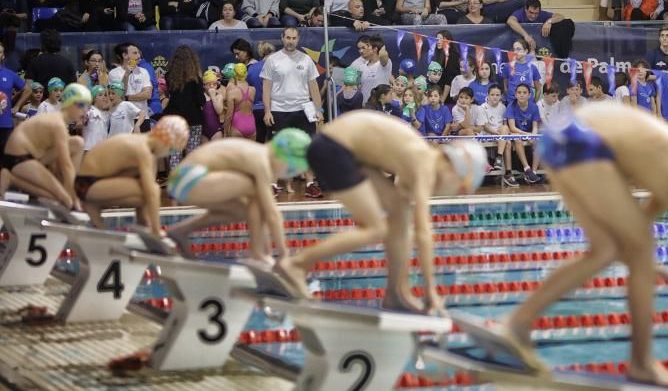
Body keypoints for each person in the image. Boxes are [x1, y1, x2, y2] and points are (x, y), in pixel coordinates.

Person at [494, 104, 668, 387]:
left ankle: (516, 324)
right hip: (583, 139)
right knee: (640, 246)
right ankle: (642, 364)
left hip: (559, 136)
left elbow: (628, 248)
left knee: (606, 249)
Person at [273, 110, 486, 305]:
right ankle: (296, 265)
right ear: (453, 170)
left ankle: (395, 292)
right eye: (459, 188)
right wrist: (430, 291)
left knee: (399, 214)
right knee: (375, 228)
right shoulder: (424, 162)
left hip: (348, 149)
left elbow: (402, 211)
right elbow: (423, 233)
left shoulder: (417, 158)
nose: (452, 193)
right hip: (333, 147)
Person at [166, 129, 309, 260]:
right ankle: (257, 253)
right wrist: (284, 254)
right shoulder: (261, 160)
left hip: (182, 181)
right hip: (186, 179)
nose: (285, 174)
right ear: (282, 157)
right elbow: (272, 213)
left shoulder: (258, 152)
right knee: (254, 189)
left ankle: (180, 230)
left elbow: (263, 213)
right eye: (290, 169)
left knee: (243, 210)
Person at [75, 116, 189, 229]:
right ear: (166, 141)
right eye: (172, 150)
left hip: (88, 182)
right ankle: (92, 205)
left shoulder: (141, 141)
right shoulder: (142, 149)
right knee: (151, 190)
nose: (167, 154)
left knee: (141, 193)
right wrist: (156, 230)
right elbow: (152, 192)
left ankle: (142, 222)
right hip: (87, 185)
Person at [1, 82, 90, 209]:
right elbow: (66, 165)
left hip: (35, 156)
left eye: (87, 106)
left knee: (78, 143)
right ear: (70, 104)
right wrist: (74, 196)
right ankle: (11, 178)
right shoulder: (58, 123)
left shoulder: (60, 123)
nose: (84, 111)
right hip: (18, 158)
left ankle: (66, 190)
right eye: (81, 105)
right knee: (64, 199)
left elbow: (60, 163)